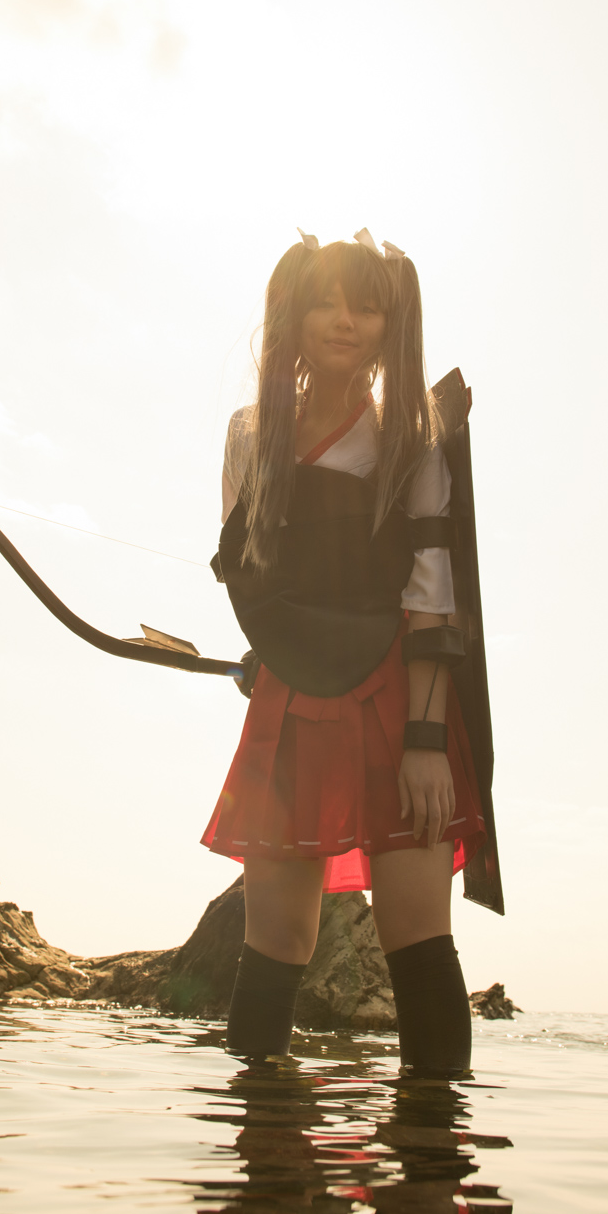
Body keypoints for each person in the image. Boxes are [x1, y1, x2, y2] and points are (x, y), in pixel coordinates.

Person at [203, 229, 488, 1078]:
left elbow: (432, 594)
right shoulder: (250, 434)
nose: (344, 321)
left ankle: (432, 1139)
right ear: (293, 314)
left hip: (400, 696)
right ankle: (263, 1142)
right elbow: (254, 576)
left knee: (417, 935)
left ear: (388, 324)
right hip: (292, 695)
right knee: (274, 938)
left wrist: (426, 745)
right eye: (325, 302)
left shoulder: (411, 433)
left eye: (365, 307)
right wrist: (263, 657)